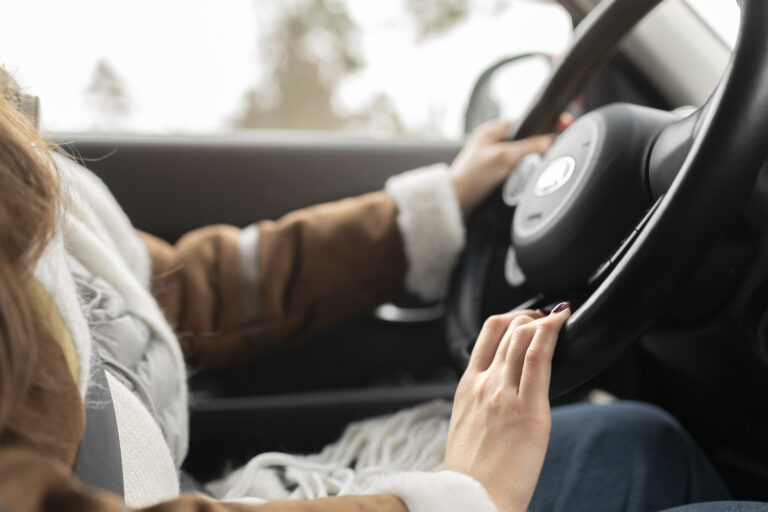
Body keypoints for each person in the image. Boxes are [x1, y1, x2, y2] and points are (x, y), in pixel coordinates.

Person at [0, 70, 752, 512]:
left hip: (203, 489)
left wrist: (430, 209)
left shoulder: (29, 170)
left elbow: (184, 286)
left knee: (637, 440)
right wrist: (460, 494)